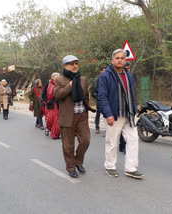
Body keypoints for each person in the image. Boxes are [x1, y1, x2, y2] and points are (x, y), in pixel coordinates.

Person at [98, 49, 144, 179]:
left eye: (122, 58)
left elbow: (132, 94)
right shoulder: (105, 76)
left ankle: (131, 168)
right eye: (117, 58)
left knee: (133, 140)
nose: (119, 60)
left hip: (129, 114)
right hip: (114, 114)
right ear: (112, 60)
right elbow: (102, 97)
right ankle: (110, 166)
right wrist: (108, 114)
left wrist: (135, 110)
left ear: (125, 61)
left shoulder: (128, 75)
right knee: (112, 141)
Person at [54, 55, 95, 178]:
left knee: (86, 140)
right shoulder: (60, 80)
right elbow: (58, 95)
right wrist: (70, 85)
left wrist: (87, 108)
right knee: (68, 145)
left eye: (76, 63)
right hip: (67, 117)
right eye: (71, 63)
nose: (75, 65)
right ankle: (71, 167)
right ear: (65, 66)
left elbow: (86, 95)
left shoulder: (83, 79)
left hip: (81, 115)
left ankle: (78, 161)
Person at [42, 72, 61, 139]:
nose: (59, 77)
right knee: (49, 119)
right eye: (58, 76)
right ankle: (48, 128)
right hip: (50, 104)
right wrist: (47, 100)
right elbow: (43, 95)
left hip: (58, 104)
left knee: (57, 120)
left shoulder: (60, 85)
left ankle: (55, 134)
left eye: (59, 76)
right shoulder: (48, 85)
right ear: (53, 78)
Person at [91, 67, 106, 134]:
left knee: (106, 113)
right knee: (98, 113)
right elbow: (93, 91)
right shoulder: (97, 79)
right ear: (100, 71)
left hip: (107, 99)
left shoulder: (108, 79)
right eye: (103, 71)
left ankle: (107, 128)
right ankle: (97, 127)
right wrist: (98, 98)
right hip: (99, 99)